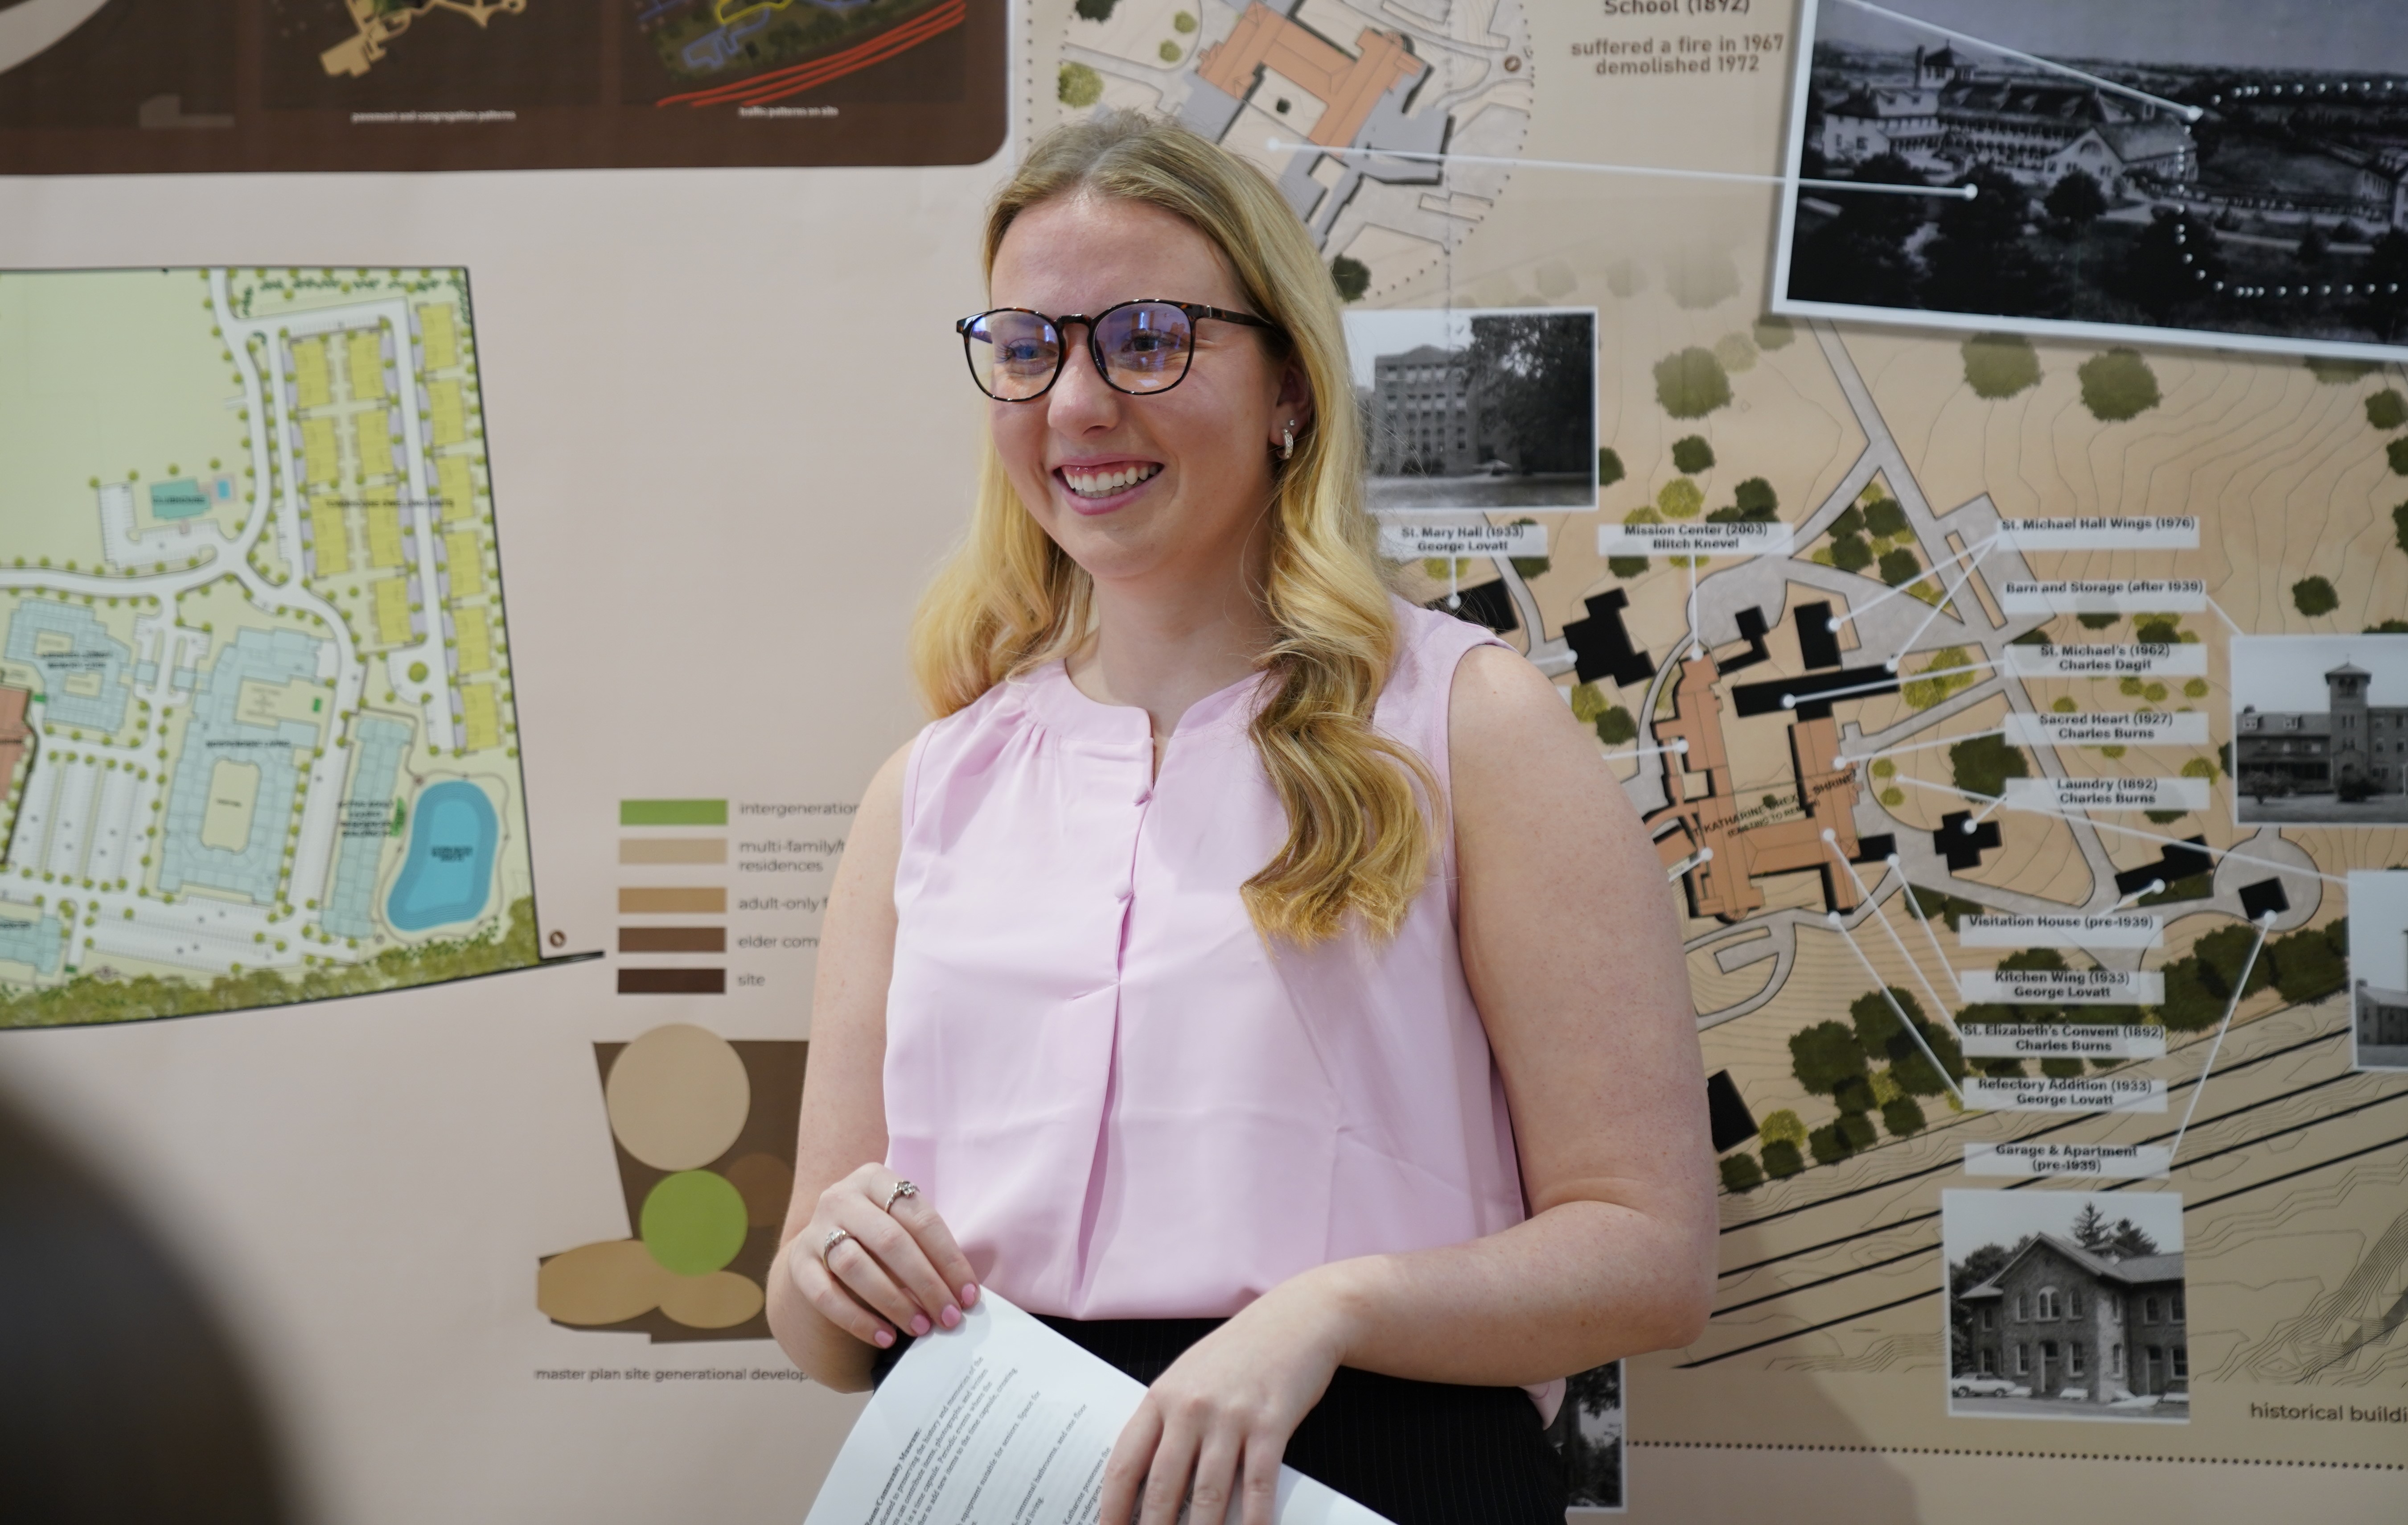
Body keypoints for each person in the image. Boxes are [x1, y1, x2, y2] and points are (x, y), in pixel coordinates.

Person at [767, 110, 1714, 1525]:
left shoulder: (1468, 726)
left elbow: (1649, 1252)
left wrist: (1323, 1312)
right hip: (984, 1475)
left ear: (1287, 386)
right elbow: (817, 1326)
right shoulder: (929, 788)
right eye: (1029, 346)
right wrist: (828, 1267)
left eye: (1146, 337)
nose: (1077, 404)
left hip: (1359, 1465)